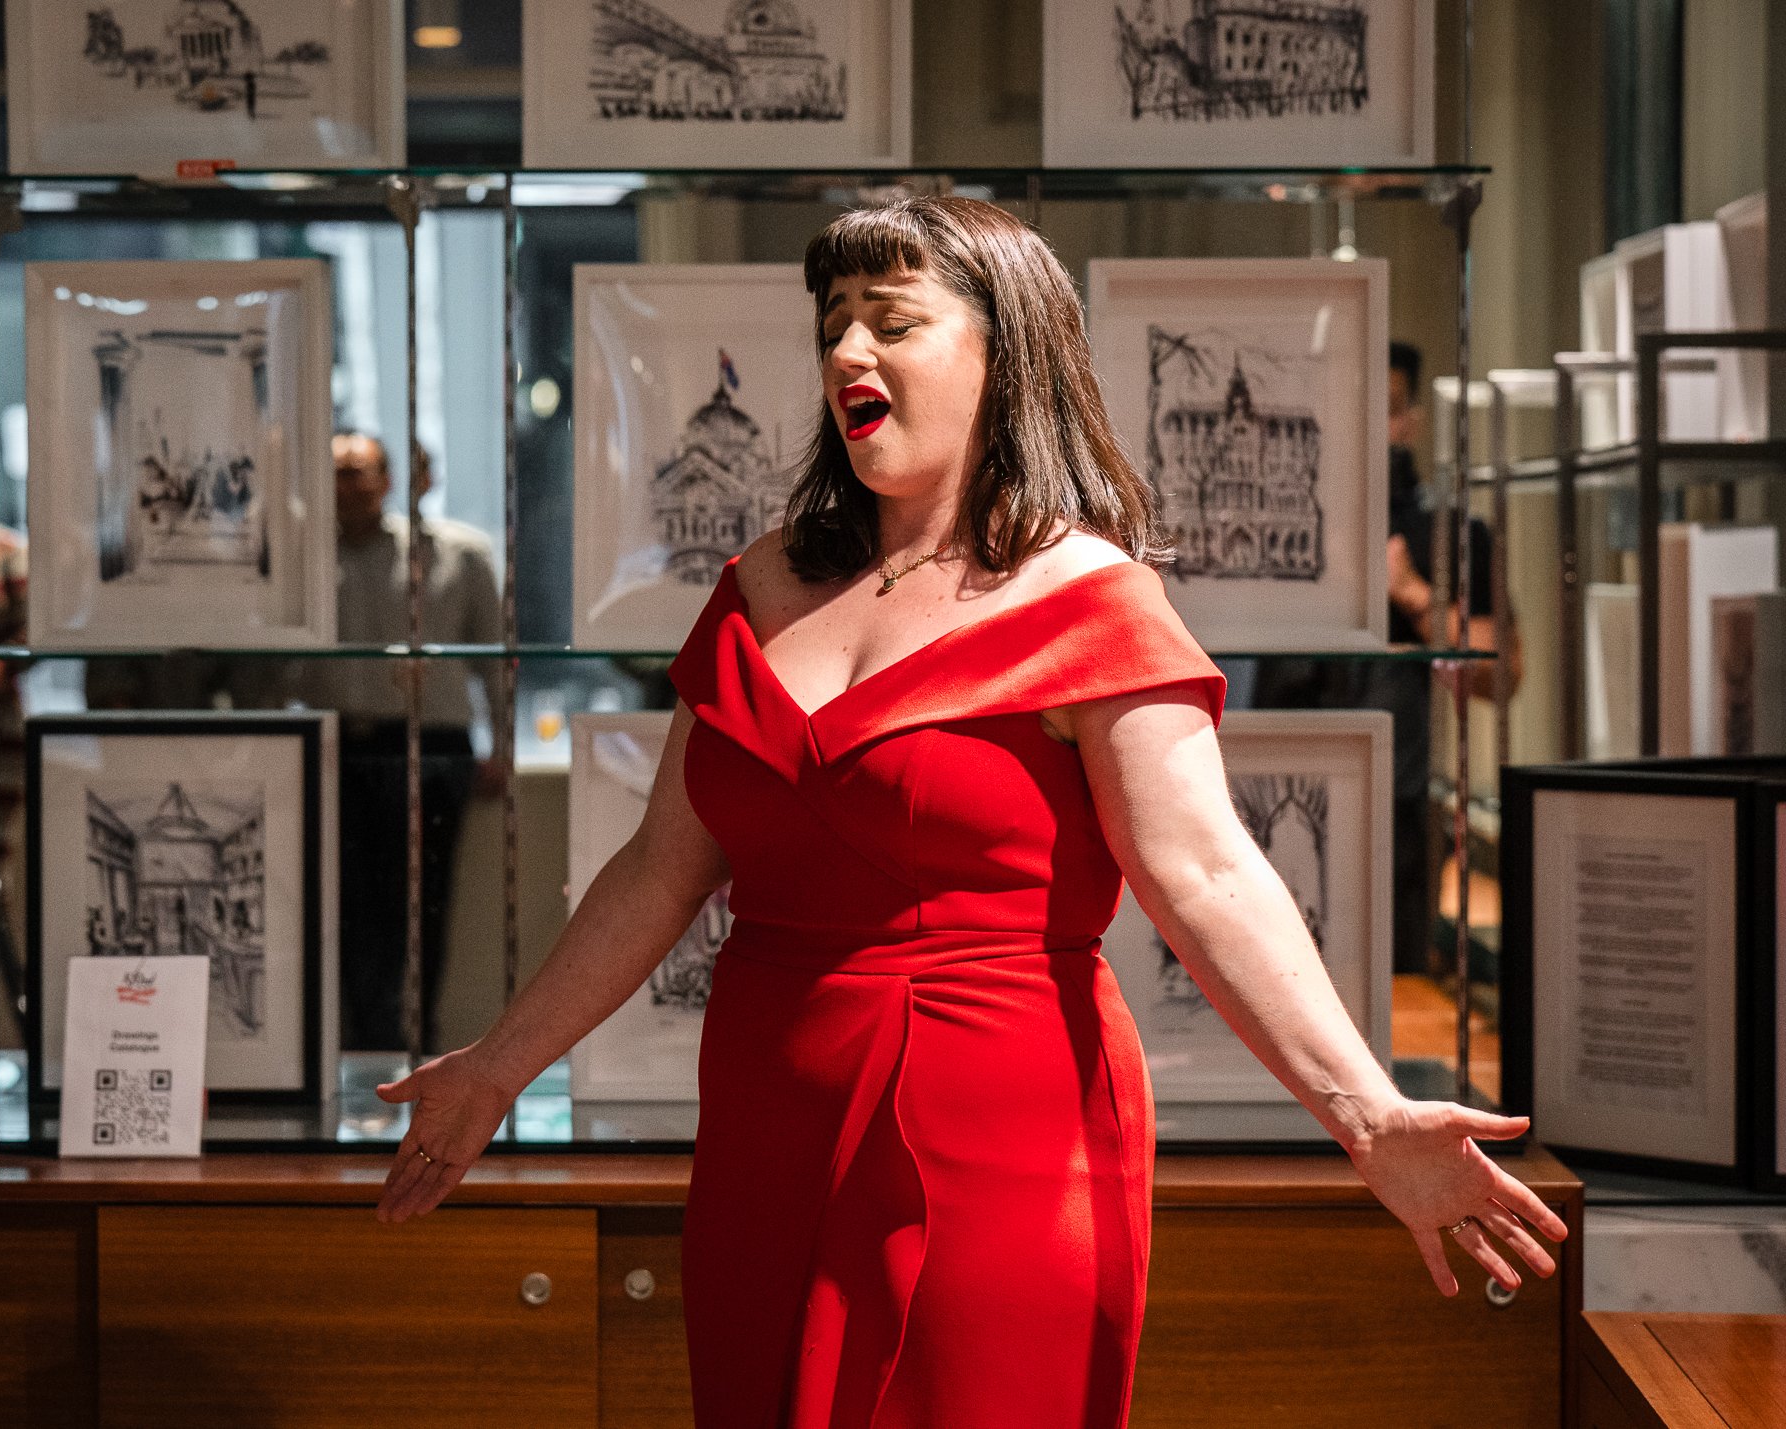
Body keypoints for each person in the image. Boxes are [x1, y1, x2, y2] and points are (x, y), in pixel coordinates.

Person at [372, 198, 1565, 1426]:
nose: (846, 353)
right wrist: (498, 1067)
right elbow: (654, 874)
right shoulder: (760, 585)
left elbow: (1206, 874)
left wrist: (1366, 1117)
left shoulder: (1087, 597)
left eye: (890, 321)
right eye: (833, 323)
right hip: (766, 1119)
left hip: (999, 1127)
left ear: (1005, 356)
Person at [1252, 341, 1523, 977]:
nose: (1371, 424)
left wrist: (1410, 593)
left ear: (1411, 420)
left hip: (1398, 811)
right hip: (1269, 783)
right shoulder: (1282, 520)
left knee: (1393, 985)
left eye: (1389, 407)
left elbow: (1499, 674)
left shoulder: (1452, 532)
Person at [286, 433, 508, 1051]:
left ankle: (417, 1040)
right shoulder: (299, 565)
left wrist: (504, 747)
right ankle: (363, 1045)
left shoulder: (458, 555)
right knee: (347, 905)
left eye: (359, 472)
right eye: (334, 473)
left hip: (431, 749)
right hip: (337, 750)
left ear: (387, 480)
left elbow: (496, 663)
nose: (347, 486)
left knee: (423, 902)